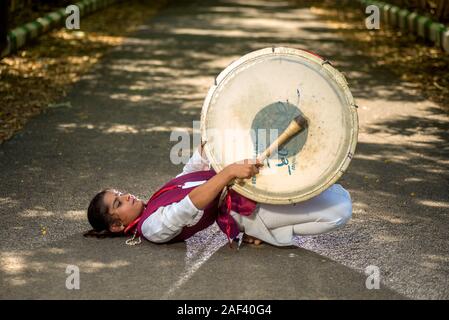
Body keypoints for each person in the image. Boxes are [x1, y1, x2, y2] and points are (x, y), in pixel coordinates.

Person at [85, 140, 352, 247]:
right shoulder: (152, 228)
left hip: (242, 194)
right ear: (118, 226)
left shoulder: (156, 199)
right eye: (118, 202)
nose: (127, 196)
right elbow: (188, 206)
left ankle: (264, 232)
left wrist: (208, 140)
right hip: (241, 211)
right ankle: (260, 231)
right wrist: (228, 173)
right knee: (339, 209)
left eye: (120, 193)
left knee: (334, 193)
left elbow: (191, 172)